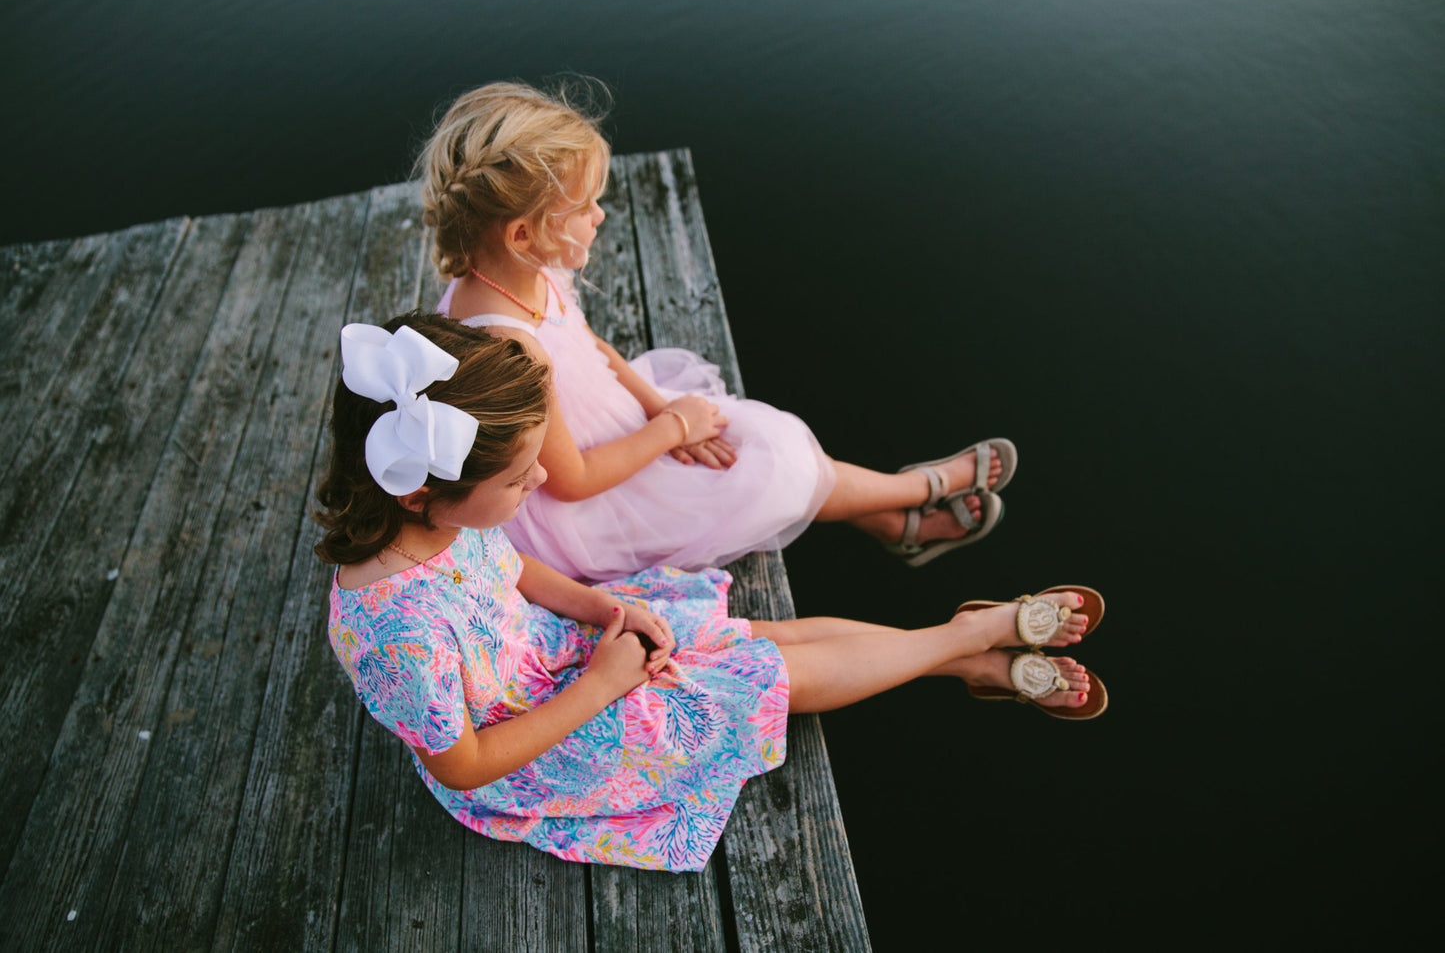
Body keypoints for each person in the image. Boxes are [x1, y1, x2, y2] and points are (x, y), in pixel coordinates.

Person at [316, 313, 1106, 872]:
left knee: (749, 640)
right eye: (522, 477)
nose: (544, 481)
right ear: (418, 493)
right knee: (756, 679)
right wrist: (599, 686)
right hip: (536, 743)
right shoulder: (395, 633)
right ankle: (967, 638)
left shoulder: (444, 524)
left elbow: (508, 571)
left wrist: (598, 607)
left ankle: (960, 656)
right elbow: (463, 764)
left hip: (553, 660)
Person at [418, 80, 1018, 581]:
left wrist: (660, 404)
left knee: (758, 437)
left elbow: (590, 348)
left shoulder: (522, 271)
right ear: (521, 234)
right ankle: (912, 494)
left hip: (619, 430)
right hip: (587, 502)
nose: (599, 216)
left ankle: (897, 520)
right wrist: (674, 427)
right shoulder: (505, 345)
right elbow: (571, 481)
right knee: (771, 465)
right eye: (583, 208)